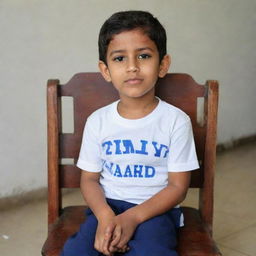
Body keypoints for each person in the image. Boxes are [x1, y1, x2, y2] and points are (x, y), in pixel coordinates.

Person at [61, 10, 199, 256]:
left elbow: (178, 187)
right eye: (119, 59)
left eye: (144, 56)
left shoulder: (175, 121)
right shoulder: (98, 121)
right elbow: (89, 179)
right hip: (106, 207)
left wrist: (133, 218)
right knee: (75, 251)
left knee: (152, 252)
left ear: (163, 64)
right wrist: (105, 217)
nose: (133, 67)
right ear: (105, 70)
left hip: (155, 211)